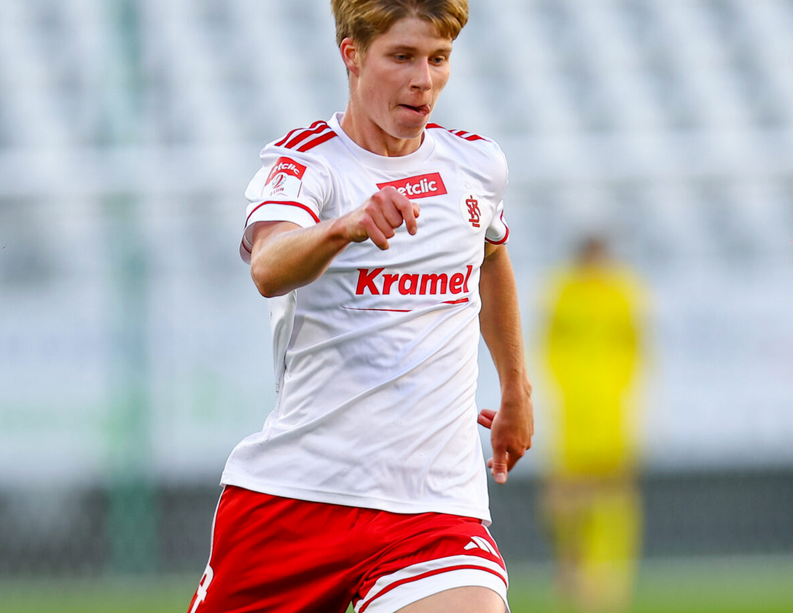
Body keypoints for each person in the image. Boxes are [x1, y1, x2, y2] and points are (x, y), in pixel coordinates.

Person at [187, 2, 533, 612]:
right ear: (352, 54)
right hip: (298, 495)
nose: (423, 80)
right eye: (402, 57)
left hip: (433, 509)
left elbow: (489, 257)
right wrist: (341, 228)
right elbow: (268, 267)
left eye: (438, 59)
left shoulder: (477, 165)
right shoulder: (307, 162)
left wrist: (516, 389)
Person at [541, 236, 645, 613]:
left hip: (611, 409)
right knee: (568, 493)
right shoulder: (563, 293)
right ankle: (574, 567)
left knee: (614, 489)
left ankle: (611, 573)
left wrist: (625, 392)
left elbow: (636, 349)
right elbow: (549, 347)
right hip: (574, 410)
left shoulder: (622, 293)